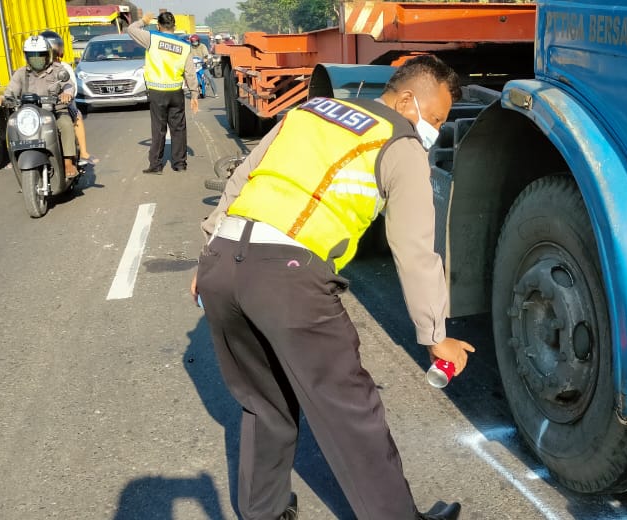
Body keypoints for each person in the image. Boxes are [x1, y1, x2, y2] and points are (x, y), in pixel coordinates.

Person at [193, 55, 474, 520]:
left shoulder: (308, 112)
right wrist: (434, 333)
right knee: (352, 414)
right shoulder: (399, 144)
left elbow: (242, 179)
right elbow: (414, 247)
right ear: (407, 100)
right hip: (287, 276)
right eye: (437, 118)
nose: (436, 130)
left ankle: (263, 512)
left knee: (264, 402)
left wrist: (207, 254)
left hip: (223, 263)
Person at [0, 35, 79, 178]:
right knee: (13, 126)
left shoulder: (58, 70)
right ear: (26, 56)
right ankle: (17, 162)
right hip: (30, 116)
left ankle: (68, 161)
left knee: (65, 124)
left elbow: (68, 86)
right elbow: (11, 91)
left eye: (40, 55)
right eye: (32, 56)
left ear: (48, 55)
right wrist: (2, 98)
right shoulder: (21, 73)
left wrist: (66, 94)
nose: (36, 59)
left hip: (55, 112)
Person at [126, 11, 199, 173]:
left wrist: (143, 21)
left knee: (159, 129)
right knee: (178, 128)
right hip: (176, 92)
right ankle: (180, 164)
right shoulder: (184, 46)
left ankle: (156, 165)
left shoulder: (152, 38)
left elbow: (131, 29)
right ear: (174, 26)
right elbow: (190, 73)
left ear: (159, 26)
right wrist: (194, 94)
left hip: (157, 92)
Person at [40, 30, 97, 166]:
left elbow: (72, 88)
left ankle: (82, 153)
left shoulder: (63, 68)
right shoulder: (30, 70)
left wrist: (66, 95)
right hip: (39, 109)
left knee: (76, 115)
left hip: (60, 107)